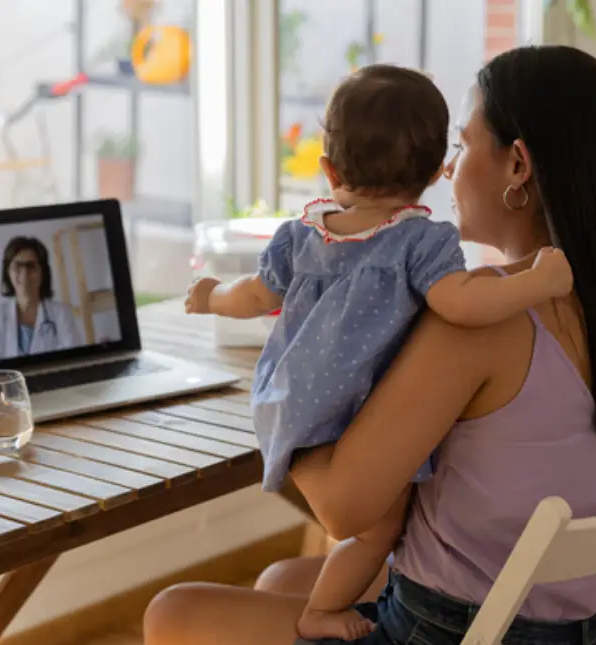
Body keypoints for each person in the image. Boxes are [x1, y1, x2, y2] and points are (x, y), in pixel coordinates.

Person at [145, 44, 596, 645]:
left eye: (461, 144)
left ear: (517, 167)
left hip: (456, 627)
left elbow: (343, 510)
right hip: (569, 621)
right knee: (281, 579)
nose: (448, 169)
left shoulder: (483, 324)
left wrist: (288, 398)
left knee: (171, 612)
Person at [184, 64, 573, 641]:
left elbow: (255, 297)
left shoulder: (301, 233)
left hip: (288, 405)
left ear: (329, 169)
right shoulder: (420, 240)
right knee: (376, 532)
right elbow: (463, 302)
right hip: (356, 414)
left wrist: (212, 296)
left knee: (265, 579)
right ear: (433, 174)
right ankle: (321, 610)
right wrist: (535, 284)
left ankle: (316, 607)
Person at [0, 235, 86, 361]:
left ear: (43, 273)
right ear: (8, 272)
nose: (25, 275)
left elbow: (74, 359)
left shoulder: (60, 313)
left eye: (31, 267)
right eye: (18, 266)